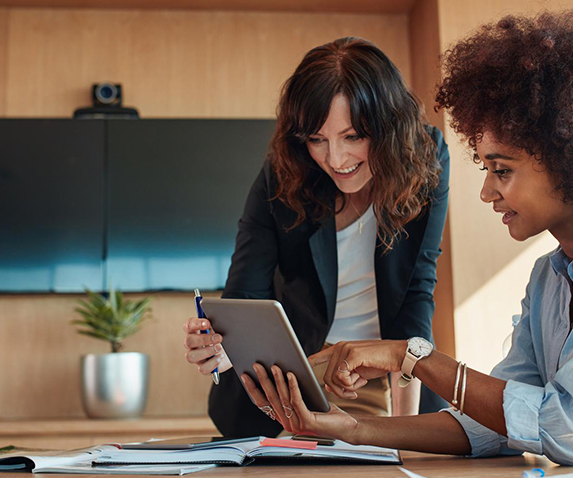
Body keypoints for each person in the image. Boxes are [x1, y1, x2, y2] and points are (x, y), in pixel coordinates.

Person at [246, 11, 573, 470]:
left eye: (501, 170)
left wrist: (408, 356)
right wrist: (354, 430)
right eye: (486, 168)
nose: (486, 191)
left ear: (570, 156)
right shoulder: (548, 278)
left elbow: (567, 428)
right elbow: (496, 425)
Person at [182, 36, 451, 438]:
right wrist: (220, 348)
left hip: (389, 379)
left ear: (389, 127)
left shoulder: (425, 158)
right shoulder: (283, 171)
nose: (336, 160)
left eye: (354, 136)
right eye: (317, 139)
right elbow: (245, 296)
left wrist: (405, 430)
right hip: (291, 385)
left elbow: (417, 290)